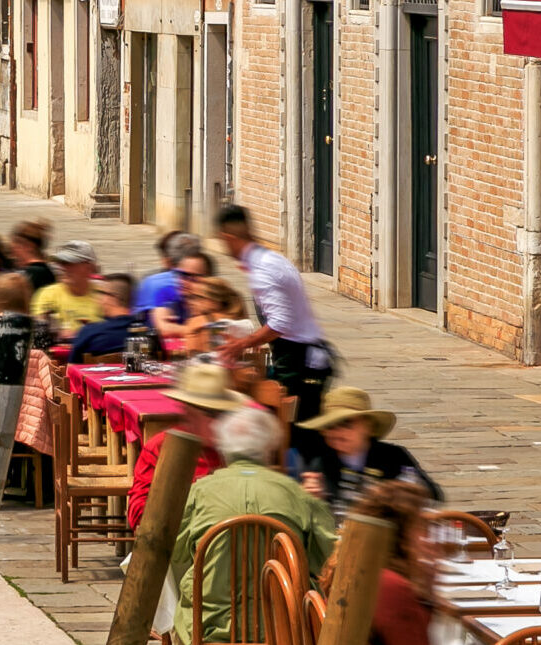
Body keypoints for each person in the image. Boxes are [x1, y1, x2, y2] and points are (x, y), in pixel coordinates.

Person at [171, 404, 340, 645]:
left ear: (224, 448)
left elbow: (174, 551)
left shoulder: (200, 491)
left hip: (213, 623)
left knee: (184, 605)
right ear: (268, 448)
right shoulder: (297, 494)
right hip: (282, 623)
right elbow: (329, 559)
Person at [350, 482, 479, 645]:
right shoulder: (392, 587)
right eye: (422, 528)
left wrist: (426, 591)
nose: (430, 538)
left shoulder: (363, 570)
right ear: (402, 534)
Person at [212, 203, 333, 424]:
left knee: (297, 428)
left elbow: (280, 324)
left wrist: (241, 344)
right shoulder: (270, 260)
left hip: (299, 360)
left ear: (228, 238)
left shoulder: (263, 270)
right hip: (303, 354)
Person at [293, 387, 441, 519]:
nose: (337, 432)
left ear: (368, 426)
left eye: (346, 423)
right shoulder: (319, 461)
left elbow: (433, 495)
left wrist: (398, 494)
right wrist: (310, 497)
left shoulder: (393, 456)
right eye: (330, 426)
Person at [127, 359, 242, 527]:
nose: (221, 422)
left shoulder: (240, 447)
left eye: (225, 413)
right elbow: (137, 514)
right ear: (189, 414)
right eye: (212, 413)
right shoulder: (161, 447)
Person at [30, 242, 105, 346]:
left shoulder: (104, 294)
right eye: (61, 263)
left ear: (89, 267)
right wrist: (55, 333)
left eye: (70, 263)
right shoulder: (47, 294)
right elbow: (37, 331)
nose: (63, 268)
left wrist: (80, 334)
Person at [66, 275, 145, 360]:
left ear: (112, 297)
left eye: (102, 293)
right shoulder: (145, 332)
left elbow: (71, 365)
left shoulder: (90, 331)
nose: (99, 299)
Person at [11, 221, 56, 291]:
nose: (12, 248)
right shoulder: (44, 270)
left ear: (29, 246)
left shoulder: (34, 273)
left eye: (16, 244)